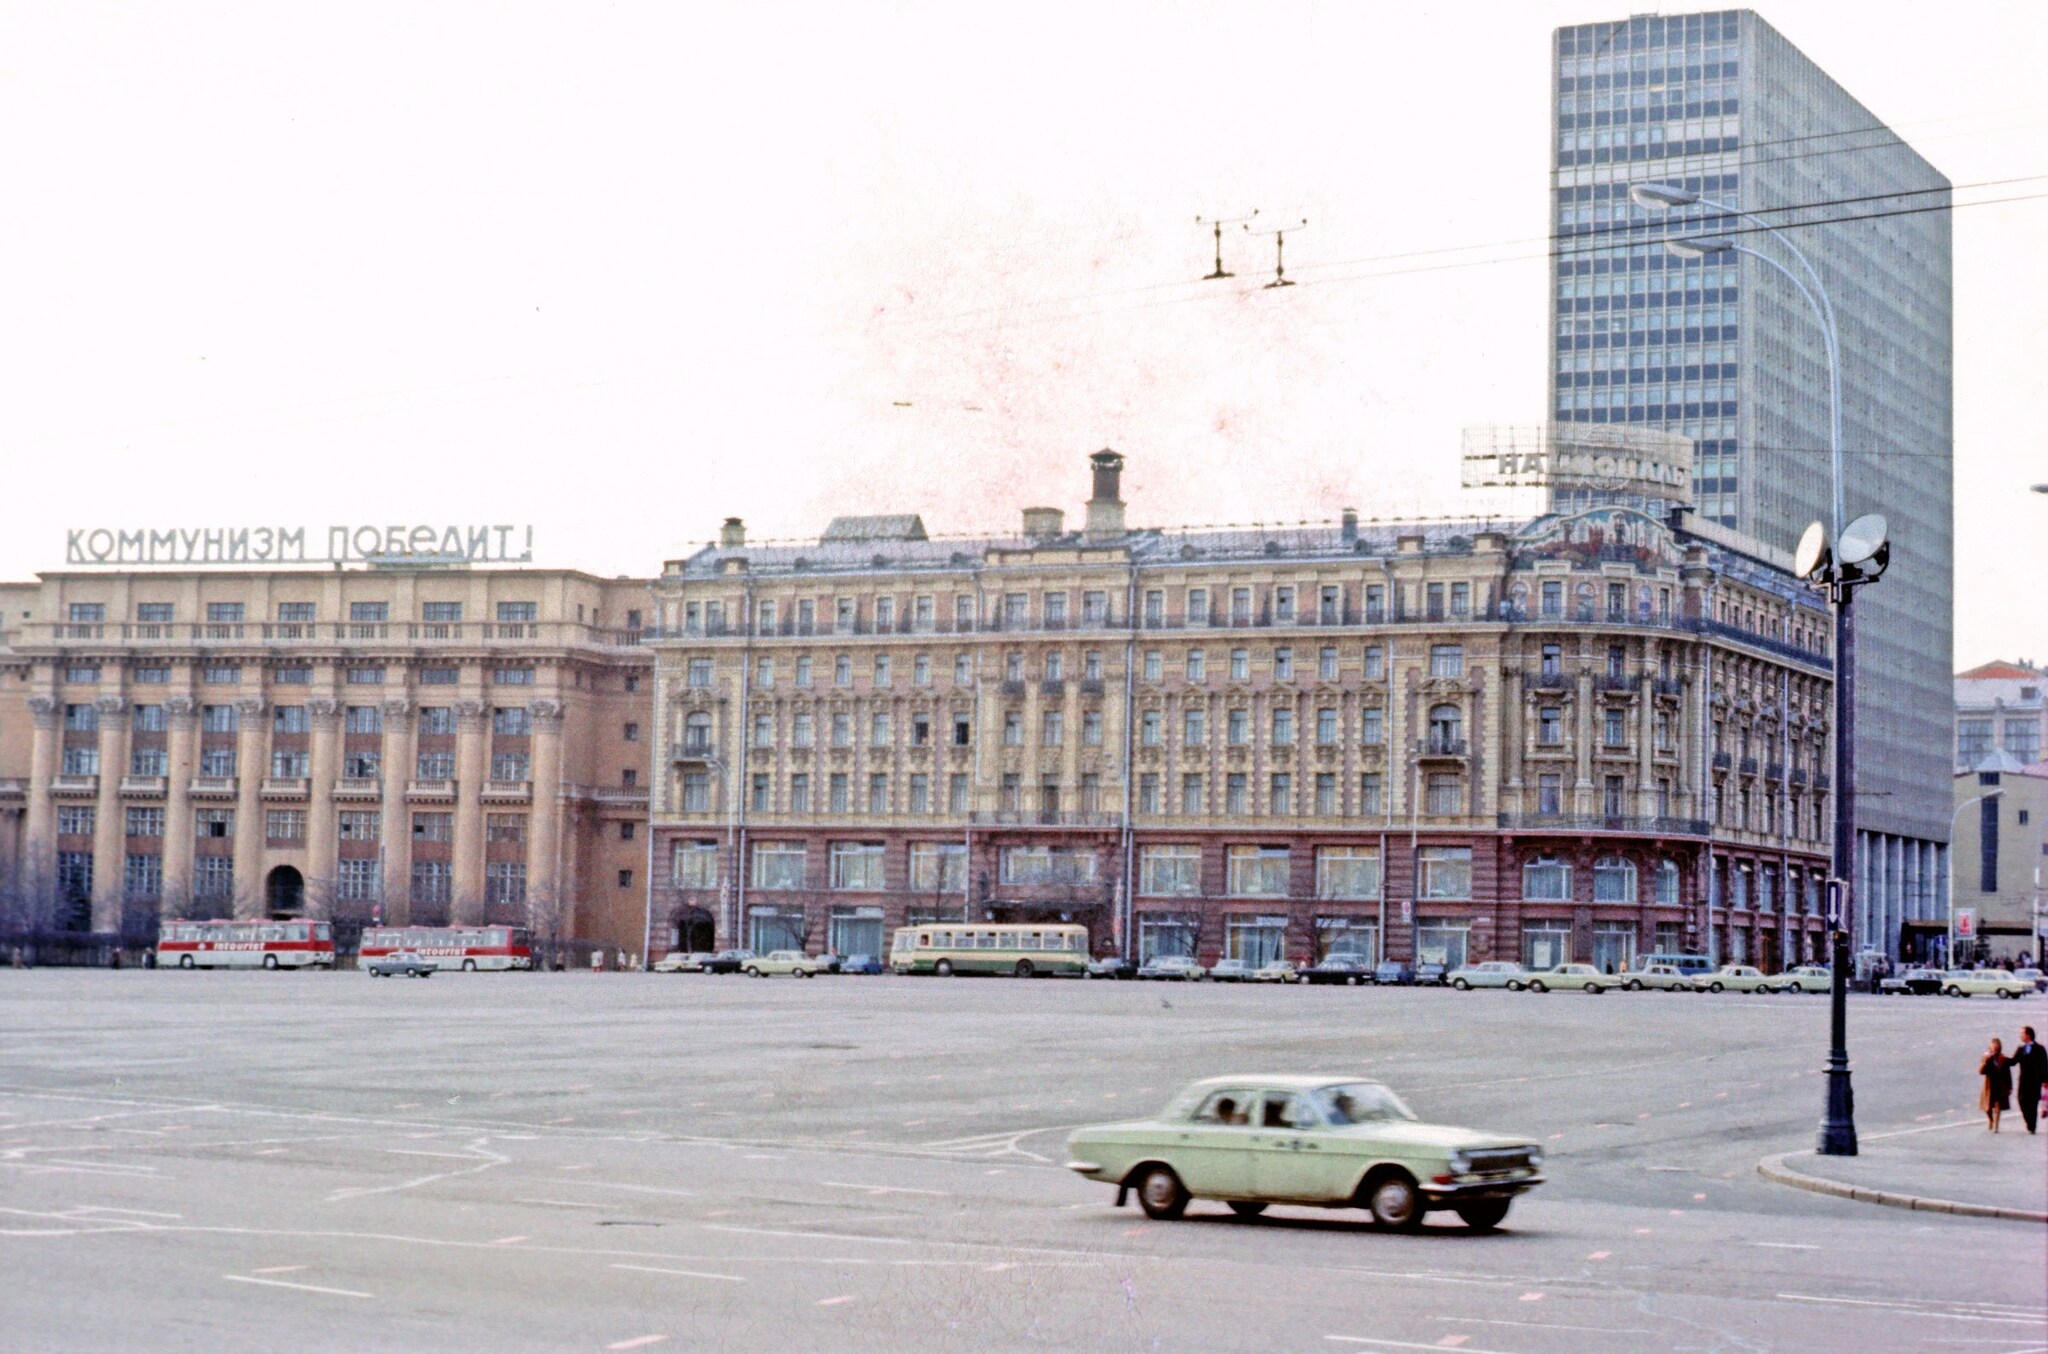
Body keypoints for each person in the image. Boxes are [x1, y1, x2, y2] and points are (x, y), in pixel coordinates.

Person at [2012, 1026, 2047, 1135]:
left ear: (2028, 1035)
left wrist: (2045, 1081)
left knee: (2033, 1103)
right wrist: (2000, 1059)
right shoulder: (2020, 1049)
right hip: (2023, 1081)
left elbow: (2044, 1065)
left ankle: (2032, 1126)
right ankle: (2029, 1122)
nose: (2021, 1035)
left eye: (2023, 1033)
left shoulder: (2040, 1049)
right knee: (2021, 1100)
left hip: (2035, 1081)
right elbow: (2013, 1061)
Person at [1979, 1037, 2012, 1133]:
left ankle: (1996, 1125)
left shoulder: (2003, 1059)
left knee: (1998, 1106)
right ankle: (1990, 1119)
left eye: (1996, 1048)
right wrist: (1987, 1061)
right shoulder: (1986, 1057)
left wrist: (2009, 1087)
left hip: (2000, 1085)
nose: (1995, 1050)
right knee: (1987, 1108)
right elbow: (1981, 1071)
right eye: (1993, 1047)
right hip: (1989, 1085)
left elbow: (2007, 1073)